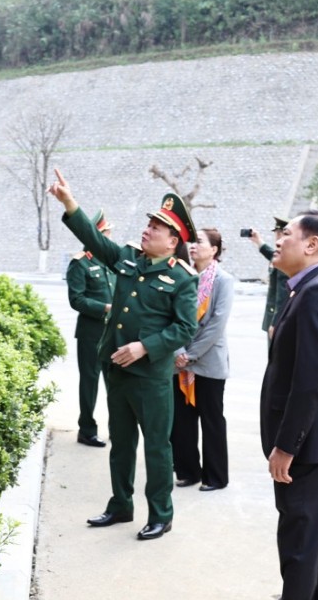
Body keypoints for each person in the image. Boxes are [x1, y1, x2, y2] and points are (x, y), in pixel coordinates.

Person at [219, 211, 318, 600]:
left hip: (311, 445)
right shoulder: (315, 286)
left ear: (313, 245)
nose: (277, 242)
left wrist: (286, 447)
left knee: (299, 545)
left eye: (286, 236)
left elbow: (310, 383)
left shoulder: (317, 292)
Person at [48, 169, 198, 541]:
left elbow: (184, 328)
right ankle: (121, 504)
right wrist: (70, 202)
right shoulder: (128, 258)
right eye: (148, 223)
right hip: (117, 371)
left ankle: (161, 514)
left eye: (156, 228)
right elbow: (94, 240)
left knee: (158, 449)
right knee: (121, 442)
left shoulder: (182, 279)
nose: (147, 230)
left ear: (172, 241)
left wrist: (145, 346)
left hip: (151, 378)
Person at [173, 227, 235, 491]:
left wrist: (191, 354)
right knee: (182, 420)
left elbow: (217, 323)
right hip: (180, 361)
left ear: (214, 250)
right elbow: (171, 316)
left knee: (211, 420)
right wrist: (177, 352)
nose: (193, 246)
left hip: (208, 361)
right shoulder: (182, 275)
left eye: (199, 241)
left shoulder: (223, 280)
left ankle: (215, 477)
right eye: (191, 242)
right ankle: (188, 471)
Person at [66, 211, 116, 448]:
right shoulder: (80, 263)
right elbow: (76, 300)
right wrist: (105, 308)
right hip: (91, 333)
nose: (109, 238)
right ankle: (86, 429)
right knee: (90, 382)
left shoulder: (110, 261)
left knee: (115, 383)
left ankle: (117, 428)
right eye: (106, 233)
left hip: (113, 333)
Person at [251, 218, 290, 338]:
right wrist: (258, 241)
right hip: (273, 316)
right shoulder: (279, 255)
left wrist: (275, 322)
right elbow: (271, 254)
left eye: (282, 233)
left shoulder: (286, 260)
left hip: (277, 319)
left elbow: (282, 295)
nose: (277, 236)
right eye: (276, 233)